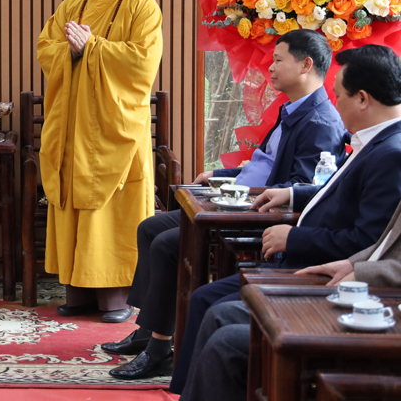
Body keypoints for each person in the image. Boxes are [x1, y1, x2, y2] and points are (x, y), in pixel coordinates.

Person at [105, 29, 348, 379]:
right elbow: (264, 163)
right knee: (150, 227)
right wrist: (221, 174)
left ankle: (159, 349)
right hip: (236, 199)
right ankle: (148, 330)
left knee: (167, 244)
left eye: (278, 60)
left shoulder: (320, 121)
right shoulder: (294, 108)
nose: (270, 67)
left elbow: (299, 189)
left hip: (254, 213)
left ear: (306, 65)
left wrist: (240, 193)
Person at [171, 44, 401, 396]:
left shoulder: (391, 153)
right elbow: (340, 192)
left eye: (339, 95)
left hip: (324, 273)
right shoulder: (376, 141)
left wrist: (293, 239)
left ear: (362, 99)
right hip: (309, 258)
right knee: (208, 300)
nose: (335, 103)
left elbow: (365, 241)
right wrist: (293, 194)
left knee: (219, 318)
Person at [36, 0, 163, 323]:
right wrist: (73, 52)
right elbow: (47, 49)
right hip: (74, 129)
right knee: (75, 206)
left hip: (115, 132)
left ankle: (115, 297)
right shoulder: (73, 4)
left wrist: (91, 47)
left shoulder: (143, 6)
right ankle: (78, 292)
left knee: (112, 213)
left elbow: (142, 63)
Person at [181, 185, 401, 401]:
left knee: (225, 342)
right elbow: (384, 245)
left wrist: (360, 271)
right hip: (346, 286)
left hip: (377, 311)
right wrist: (351, 263)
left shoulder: (387, 161)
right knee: (218, 314)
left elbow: (367, 238)